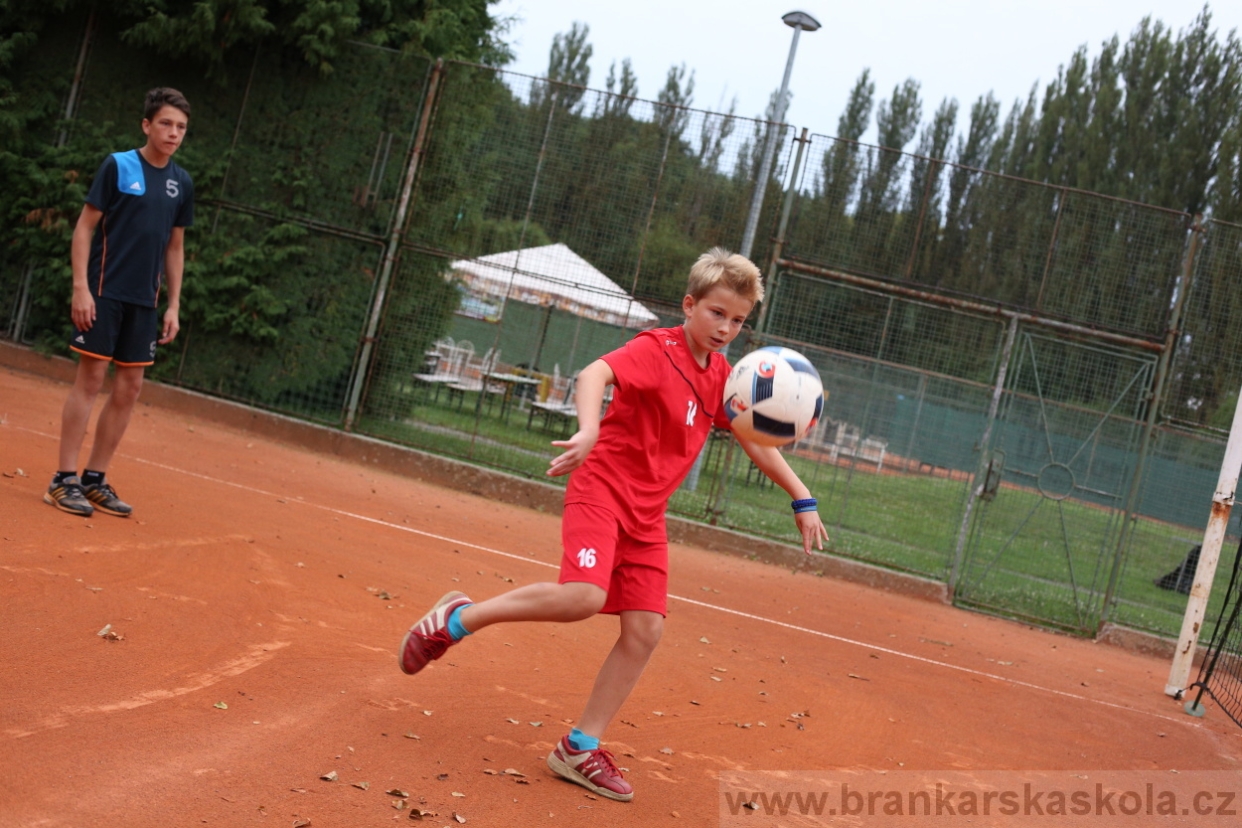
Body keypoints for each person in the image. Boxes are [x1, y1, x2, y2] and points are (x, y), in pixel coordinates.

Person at [398, 248, 828, 802]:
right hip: (602, 490)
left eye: (739, 320)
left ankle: (578, 747)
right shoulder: (657, 351)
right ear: (690, 305)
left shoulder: (724, 376)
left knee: (646, 630)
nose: (726, 328)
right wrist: (588, 429)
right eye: (717, 313)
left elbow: (753, 437)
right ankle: (458, 619)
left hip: (647, 516)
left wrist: (801, 495)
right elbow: (594, 372)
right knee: (582, 596)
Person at [44, 88, 194, 518]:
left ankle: (94, 479)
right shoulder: (119, 165)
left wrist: (173, 305)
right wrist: (80, 287)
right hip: (104, 292)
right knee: (90, 381)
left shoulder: (181, 182)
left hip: (145, 303)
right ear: (146, 125)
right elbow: (84, 228)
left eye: (181, 127)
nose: (173, 133)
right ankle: (63, 479)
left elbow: (175, 246)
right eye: (165, 123)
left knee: (129, 388)